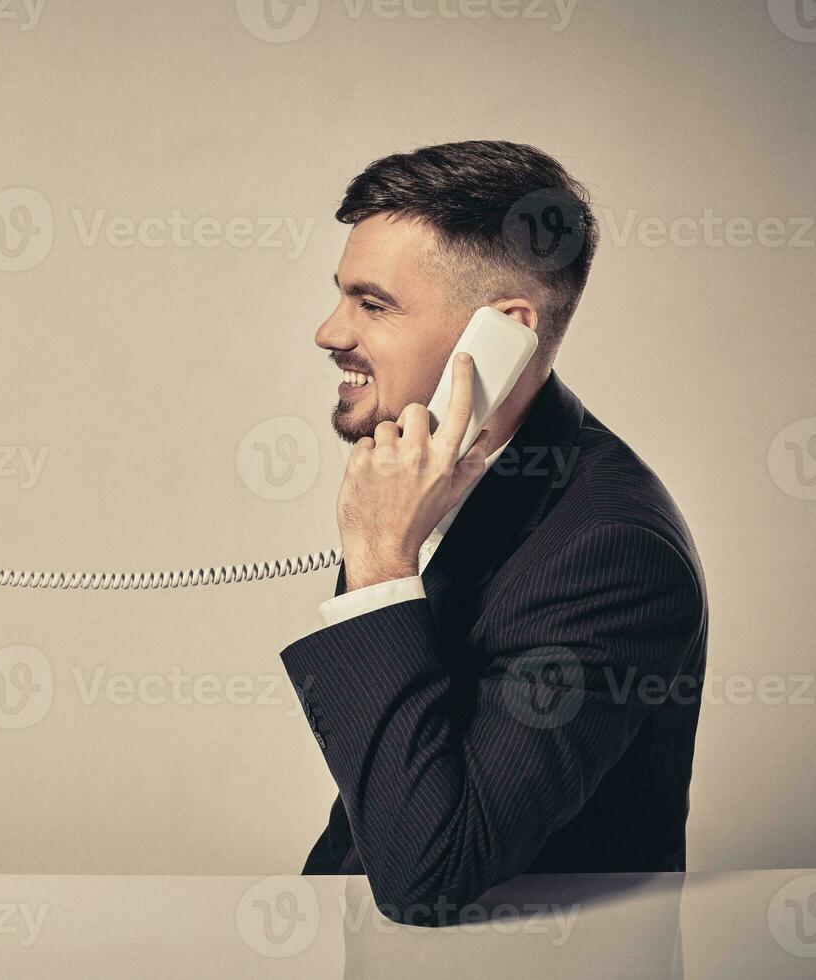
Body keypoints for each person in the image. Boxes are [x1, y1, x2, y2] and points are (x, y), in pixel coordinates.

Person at [280, 140, 707, 924]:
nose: (328, 332)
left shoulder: (612, 555)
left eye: (372, 305)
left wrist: (379, 565)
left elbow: (432, 871)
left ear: (502, 331)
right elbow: (380, 788)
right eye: (341, 296)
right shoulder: (429, 478)